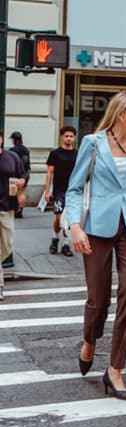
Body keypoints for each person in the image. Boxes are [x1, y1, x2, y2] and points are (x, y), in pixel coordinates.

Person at [66, 92, 126, 401]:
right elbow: (75, 188)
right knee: (99, 299)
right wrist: (75, 226)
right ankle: (90, 339)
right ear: (121, 114)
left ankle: (115, 369)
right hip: (97, 229)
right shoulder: (93, 144)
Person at [44, 126, 78, 257]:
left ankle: (66, 244)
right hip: (59, 191)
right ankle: (55, 238)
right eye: (66, 136)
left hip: (73, 191)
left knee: (68, 218)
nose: (69, 138)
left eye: (71, 136)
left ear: (74, 138)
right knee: (59, 217)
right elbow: (49, 173)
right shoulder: (55, 153)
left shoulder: (77, 154)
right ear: (62, 137)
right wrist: (47, 191)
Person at [0, 129, 25, 301]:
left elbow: (22, 175)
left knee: (7, 246)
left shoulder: (11, 157)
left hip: (6, 207)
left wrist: (21, 188)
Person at [8, 130, 30, 218]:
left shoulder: (12, 150)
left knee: (13, 192)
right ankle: (20, 210)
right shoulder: (25, 149)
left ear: (14, 139)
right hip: (25, 173)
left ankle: (15, 209)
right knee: (22, 192)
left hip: (15, 173)